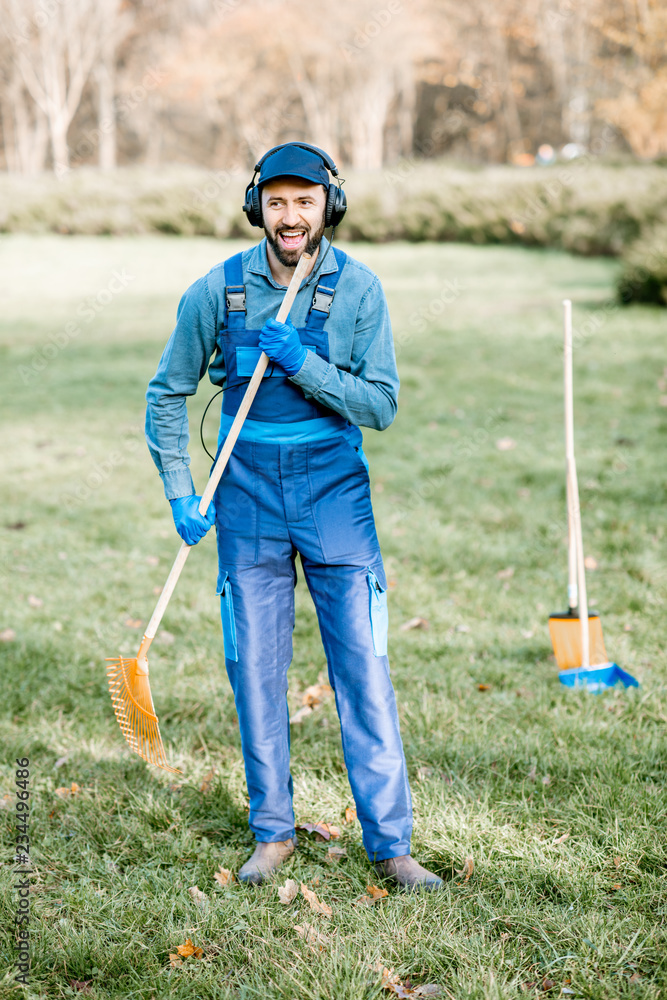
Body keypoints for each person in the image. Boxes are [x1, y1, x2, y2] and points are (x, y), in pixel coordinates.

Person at [145, 142, 443, 891]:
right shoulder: (216, 293)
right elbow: (165, 393)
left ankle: (391, 845)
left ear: (326, 209)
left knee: (363, 669)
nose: (289, 215)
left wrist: (302, 363)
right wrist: (182, 489)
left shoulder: (360, 290)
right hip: (244, 494)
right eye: (276, 201)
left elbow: (380, 405)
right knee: (255, 670)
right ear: (257, 208)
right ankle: (272, 833)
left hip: (334, 493)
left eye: (303, 201)